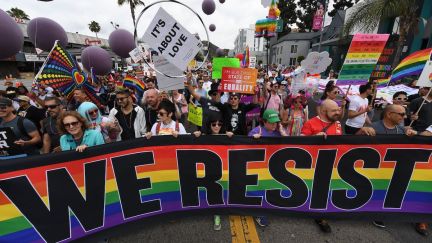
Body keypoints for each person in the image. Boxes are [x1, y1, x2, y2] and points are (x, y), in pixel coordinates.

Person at [301, 99, 343, 233]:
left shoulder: (337, 122)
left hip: (333, 163)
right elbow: (299, 143)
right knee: (317, 189)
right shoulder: (310, 123)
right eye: (334, 110)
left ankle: (324, 210)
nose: (338, 112)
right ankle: (319, 216)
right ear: (324, 111)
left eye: (338, 109)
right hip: (315, 164)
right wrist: (314, 138)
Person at [193, 112, 233, 231]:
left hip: (223, 170)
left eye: (219, 124)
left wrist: (232, 136)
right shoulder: (203, 136)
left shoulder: (226, 136)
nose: (216, 126)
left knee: (222, 191)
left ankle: (219, 211)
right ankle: (213, 211)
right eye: (213, 124)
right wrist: (195, 135)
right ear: (208, 124)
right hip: (208, 171)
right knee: (211, 192)